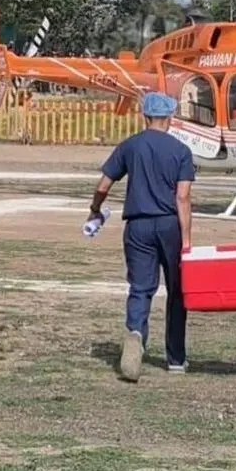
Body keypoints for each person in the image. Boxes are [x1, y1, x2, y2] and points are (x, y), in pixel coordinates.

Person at [86, 92, 195, 382]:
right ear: (169, 119)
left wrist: (95, 209)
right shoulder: (181, 151)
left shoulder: (130, 146)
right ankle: (175, 358)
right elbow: (182, 197)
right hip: (170, 224)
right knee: (177, 291)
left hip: (137, 225)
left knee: (140, 288)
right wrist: (186, 241)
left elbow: (104, 183)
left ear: (145, 117)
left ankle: (135, 333)